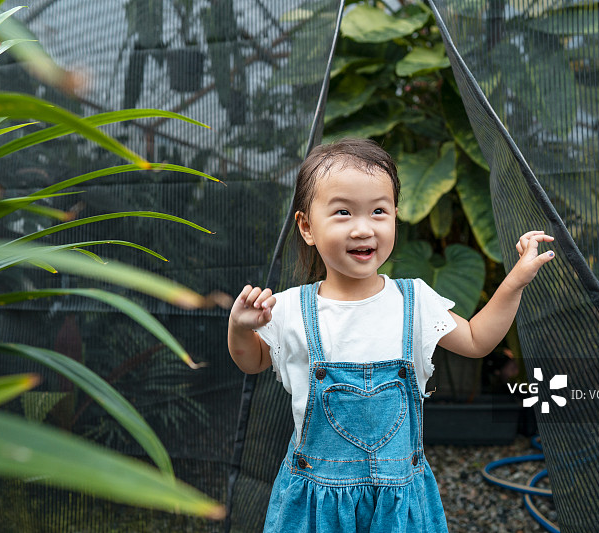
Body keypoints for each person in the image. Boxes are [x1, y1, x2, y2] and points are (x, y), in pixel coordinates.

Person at [228, 138, 554, 532]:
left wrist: (515, 281)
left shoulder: (414, 300)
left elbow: (477, 341)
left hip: (398, 506)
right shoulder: (290, 307)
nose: (363, 228)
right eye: (343, 212)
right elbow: (252, 360)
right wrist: (240, 327)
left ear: (395, 217)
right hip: (316, 506)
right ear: (307, 226)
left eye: (378, 211)